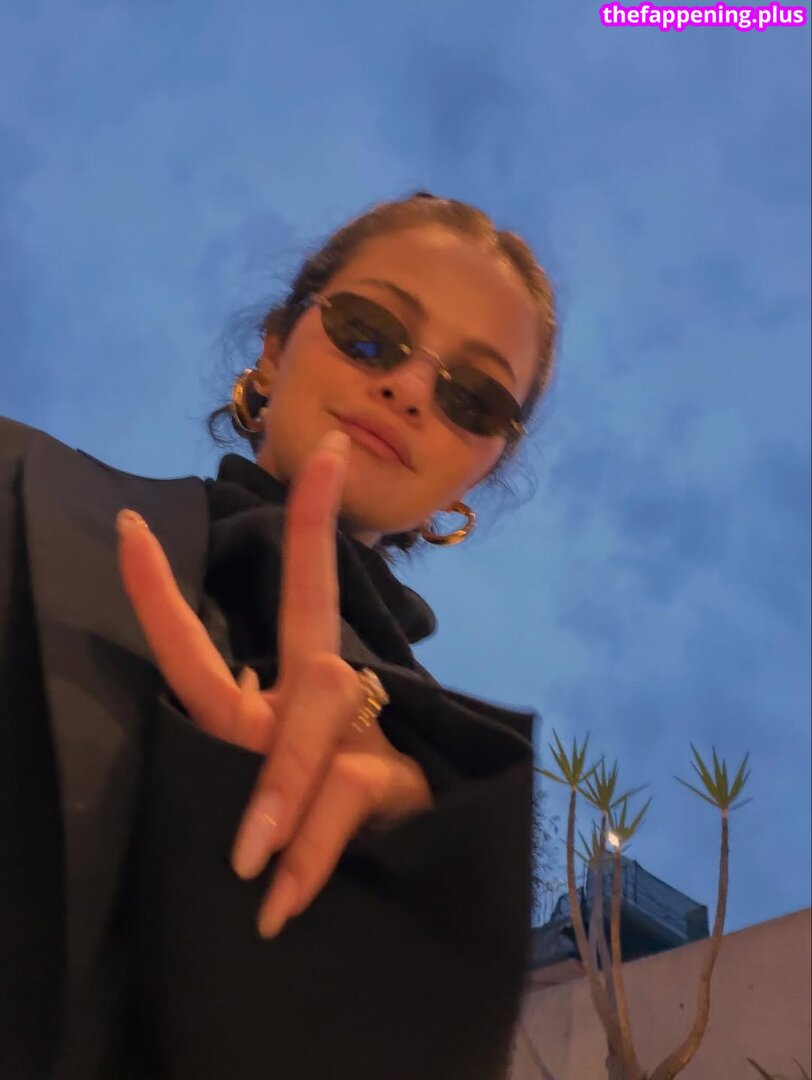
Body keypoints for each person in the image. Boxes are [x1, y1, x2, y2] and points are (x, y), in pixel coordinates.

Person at [0, 191, 557, 1079]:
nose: (411, 388)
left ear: (479, 476)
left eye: (474, 397)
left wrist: (400, 882)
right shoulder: (16, 486)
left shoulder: (441, 803)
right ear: (273, 349)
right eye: (370, 332)